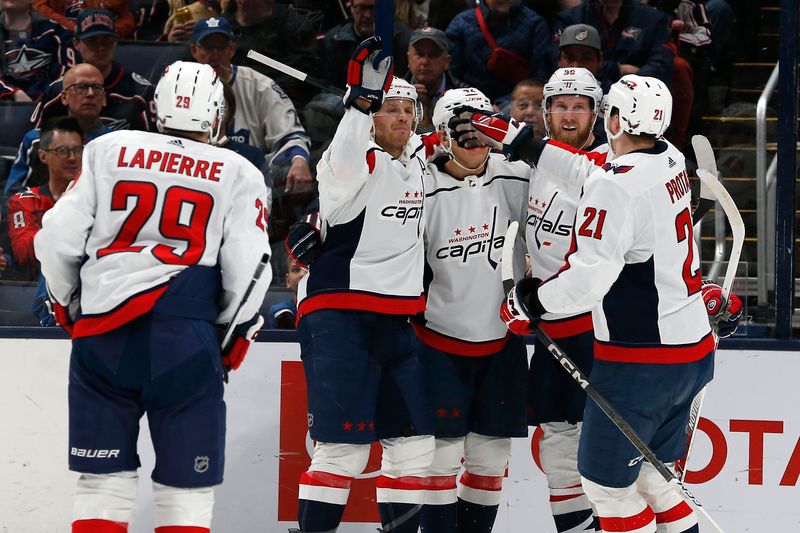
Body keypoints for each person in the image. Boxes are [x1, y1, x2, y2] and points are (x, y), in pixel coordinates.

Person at [463, 74, 741, 533]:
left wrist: (531, 302)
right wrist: (525, 144)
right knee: (656, 480)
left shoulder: (617, 185)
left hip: (641, 361)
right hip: (689, 351)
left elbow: (589, 277)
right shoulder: (667, 158)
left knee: (606, 489)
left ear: (614, 117)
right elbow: (595, 172)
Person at [33, 61, 271, 533]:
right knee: (187, 494)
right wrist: (230, 335)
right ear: (218, 114)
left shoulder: (106, 148)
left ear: (158, 107)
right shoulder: (238, 170)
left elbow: (56, 234)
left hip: (103, 332)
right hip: (186, 336)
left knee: (101, 486)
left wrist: (66, 305)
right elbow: (253, 268)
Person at [294, 38, 433, 533]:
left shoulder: (419, 161)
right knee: (343, 451)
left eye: (406, 109)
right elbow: (347, 149)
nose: (398, 117)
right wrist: (359, 100)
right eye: (387, 109)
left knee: (415, 445)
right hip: (340, 317)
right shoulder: (349, 162)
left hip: (398, 320)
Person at [416, 87, 530, 533]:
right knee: (439, 459)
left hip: (501, 343)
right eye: (464, 126)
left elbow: (576, 181)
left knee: (490, 459)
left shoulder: (518, 174)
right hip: (437, 343)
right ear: (443, 133)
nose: (476, 136)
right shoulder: (420, 184)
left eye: (484, 124)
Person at [525, 67, 606, 533]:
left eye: (580, 106)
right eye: (561, 105)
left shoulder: (607, 167)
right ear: (547, 112)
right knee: (556, 437)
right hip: (548, 324)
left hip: (595, 328)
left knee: (600, 439)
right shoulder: (531, 164)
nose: (570, 114)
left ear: (595, 114)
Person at [189, 17, 312, 194]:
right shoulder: (180, 87)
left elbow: (289, 134)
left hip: (251, 177)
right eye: (208, 47)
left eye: (221, 47)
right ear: (194, 50)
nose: (214, 55)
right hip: (195, 175)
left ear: (231, 49)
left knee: (291, 169)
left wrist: (298, 160)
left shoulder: (260, 85)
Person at [32, 9, 155, 132]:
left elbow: (157, 142)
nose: (101, 47)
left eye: (106, 40)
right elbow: (35, 140)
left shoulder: (141, 92)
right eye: (92, 41)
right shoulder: (58, 90)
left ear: (115, 42)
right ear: (76, 43)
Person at [5, 63, 111, 197]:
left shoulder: (115, 144)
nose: (90, 94)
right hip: (42, 215)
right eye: (81, 87)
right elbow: (13, 196)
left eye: (96, 87)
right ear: (64, 97)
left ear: (104, 99)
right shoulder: (36, 141)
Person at [7, 117, 83, 272]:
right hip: (38, 287)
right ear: (43, 156)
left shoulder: (96, 198)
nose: (73, 158)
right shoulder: (24, 201)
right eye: (63, 151)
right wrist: (62, 212)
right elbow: (24, 253)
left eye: (78, 150)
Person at [445, 0, 551, 101]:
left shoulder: (535, 24)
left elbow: (540, 77)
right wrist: (475, 99)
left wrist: (505, 104)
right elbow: (451, 74)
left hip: (517, 104)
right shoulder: (462, 22)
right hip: (470, 101)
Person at [318, 0, 412, 90]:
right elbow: (328, 88)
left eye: (374, 8)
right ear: (351, 6)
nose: (367, 15)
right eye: (361, 8)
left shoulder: (403, 40)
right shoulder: (334, 40)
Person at [0, 0, 69, 102]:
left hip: (49, 106)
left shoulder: (55, 32)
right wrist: (14, 93)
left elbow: (66, 73)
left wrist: (38, 96)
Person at [404, 26, 461, 132]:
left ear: (446, 62)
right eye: (419, 54)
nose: (425, 61)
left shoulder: (463, 97)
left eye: (433, 55)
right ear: (409, 59)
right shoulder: (391, 94)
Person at [267, 255, 304, 329]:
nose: (302, 274)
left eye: (308, 269)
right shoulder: (279, 311)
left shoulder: (327, 308)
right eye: (296, 270)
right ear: (288, 281)